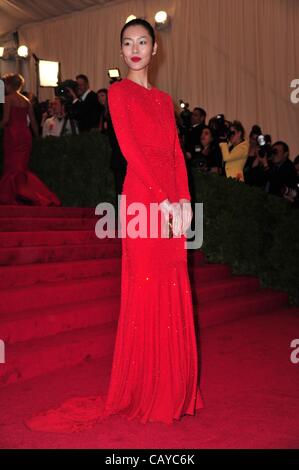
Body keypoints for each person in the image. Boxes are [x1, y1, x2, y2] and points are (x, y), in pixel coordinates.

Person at [26, 18, 204, 432]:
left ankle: (173, 388)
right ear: (121, 51)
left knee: (173, 284)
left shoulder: (163, 100)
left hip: (170, 205)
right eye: (128, 43)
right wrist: (163, 200)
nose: (136, 49)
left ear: (155, 49)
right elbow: (131, 151)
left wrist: (185, 203)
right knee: (145, 288)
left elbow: (176, 154)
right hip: (143, 198)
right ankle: (144, 389)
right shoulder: (119, 94)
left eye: (143, 41)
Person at [0, 73, 61, 206]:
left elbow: (5, 119)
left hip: (12, 134)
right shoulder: (26, 101)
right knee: (21, 166)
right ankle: (23, 193)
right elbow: (33, 122)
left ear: (9, 85)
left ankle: (17, 194)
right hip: (25, 134)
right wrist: (37, 137)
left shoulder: (8, 98)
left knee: (12, 166)